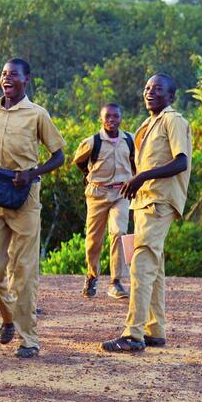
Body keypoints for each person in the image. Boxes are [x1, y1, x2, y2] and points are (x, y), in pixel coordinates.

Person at [0, 59, 65, 359]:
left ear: (27, 79)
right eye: (3, 74)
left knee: (24, 270)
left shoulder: (38, 114)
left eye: (13, 74)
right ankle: (8, 314)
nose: (6, 78)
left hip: (24, 196)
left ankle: (29, 339)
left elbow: (59, 155)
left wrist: (33, 173)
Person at [101, 74, 192, 353]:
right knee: (154, 265)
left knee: (141, 263)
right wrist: (134, 181)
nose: (150, 92)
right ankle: (154, 329)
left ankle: (133, 333)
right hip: (145, 202)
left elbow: (181, 161)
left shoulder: (173, 120)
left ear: (171, 96)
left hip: (159, 201)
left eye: (158, 89)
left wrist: (141, 177)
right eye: (147, 88)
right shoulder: (148, 124)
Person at [72, 103, 134, 299]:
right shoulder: (93, 141)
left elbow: (135, 161)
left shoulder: (130, 140)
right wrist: (88, 175)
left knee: (119, 232)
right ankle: (91, 275)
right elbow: (78, 160)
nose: (111, 120)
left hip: (121, 193)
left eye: (115, 116)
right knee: (93, 240)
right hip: (97, 194)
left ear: (121, 118)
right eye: (107, 116)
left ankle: (116, 282)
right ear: (101, 119)